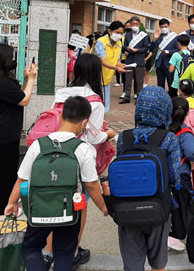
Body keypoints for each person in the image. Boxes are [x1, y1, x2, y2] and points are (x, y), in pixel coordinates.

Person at [4, 96, 109, 271]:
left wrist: (12, 203)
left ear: (61, 117)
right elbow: (91, 184)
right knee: (65, 253)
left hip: (39, 210)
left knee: (31, 247)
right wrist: (103, 207)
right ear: (84, 123)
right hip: (69, 213)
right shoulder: (82, 148)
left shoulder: (38, 145)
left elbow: (22, 179)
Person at [44, 53, 117, 268]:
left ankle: (48, 252)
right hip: (78, 157)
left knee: (54, 203)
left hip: (54, 152)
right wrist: (108, 134)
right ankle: (73, 251)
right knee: (79, 204)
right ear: (95, 73)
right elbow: (93, 137)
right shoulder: (94, 100)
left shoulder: (62, 93)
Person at [115, 86, 182, 271]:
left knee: (132, 266)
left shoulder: (124, 137)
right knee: (158, 264)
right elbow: (175, 178)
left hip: (126, 209)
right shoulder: (169, 138)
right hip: (158, 209)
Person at [0, 43, 38, 223]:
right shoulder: (1, 82)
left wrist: (26, 79)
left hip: (2, 130)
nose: (14, 59)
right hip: (4, 132)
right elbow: (24, 100)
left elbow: (17, 96)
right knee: (6, 174)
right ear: (3, 59)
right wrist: (32, 79)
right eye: (12, 56)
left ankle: (6, 206)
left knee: (6, 172)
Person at [168, 96, 194, 251]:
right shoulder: (185, 132)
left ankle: (170, 234)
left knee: (170, 205)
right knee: (184, 206)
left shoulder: (163, 129)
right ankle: (182, 234)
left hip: (164, 175)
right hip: (181, 176)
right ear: (188, 113)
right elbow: (191, 153)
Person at [93, 21, 127, 112]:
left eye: (121, 33)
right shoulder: (101, 42)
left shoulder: (119, 43)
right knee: (95, 101)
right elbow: (103, 62)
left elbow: (117, 60)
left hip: (107, 76)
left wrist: (121, 65)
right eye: (117, 32)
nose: (119, 35)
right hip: (95, 75)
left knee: (105, 102)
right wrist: (117, 68)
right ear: (110, 31)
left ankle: (102, 117)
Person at [121, 16, 150, 104]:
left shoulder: (144, 35)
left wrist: (138, 50)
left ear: (139, 24)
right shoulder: (127, 35)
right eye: (133, 24)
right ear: (130, 25)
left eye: (136, 24)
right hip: (129, 60)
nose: (135, 25)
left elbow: (146, 47)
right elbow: (123, 47)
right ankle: (127, 97)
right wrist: (127, 48)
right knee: (128, 80)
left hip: (139, 60)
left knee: (139, 81)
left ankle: (138, 98)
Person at [150, 18, 178, 95]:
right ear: (160, 27)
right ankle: (161, 98)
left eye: (165, 26)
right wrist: (154, 39)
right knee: (160, 85)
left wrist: (169, 52)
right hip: (159, 64)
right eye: (162, 27)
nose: (164, 28)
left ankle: (173, 98)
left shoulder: (174, 37)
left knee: (171, 84)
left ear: (169, 26)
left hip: (170, 63)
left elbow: (178, 50)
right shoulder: (158, 36)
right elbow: (151, 49)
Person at [115, 21, 131, 88]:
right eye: (127, 26)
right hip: (122, 56)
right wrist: (124, 51)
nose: (128, 27)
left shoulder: (133, 37)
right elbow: (120, 45)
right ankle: (118, 82)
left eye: (129, 26)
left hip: (129, 57)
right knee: (118, 68)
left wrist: (128, 52)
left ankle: (124, 83)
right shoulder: (122, 36)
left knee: (126, 71)